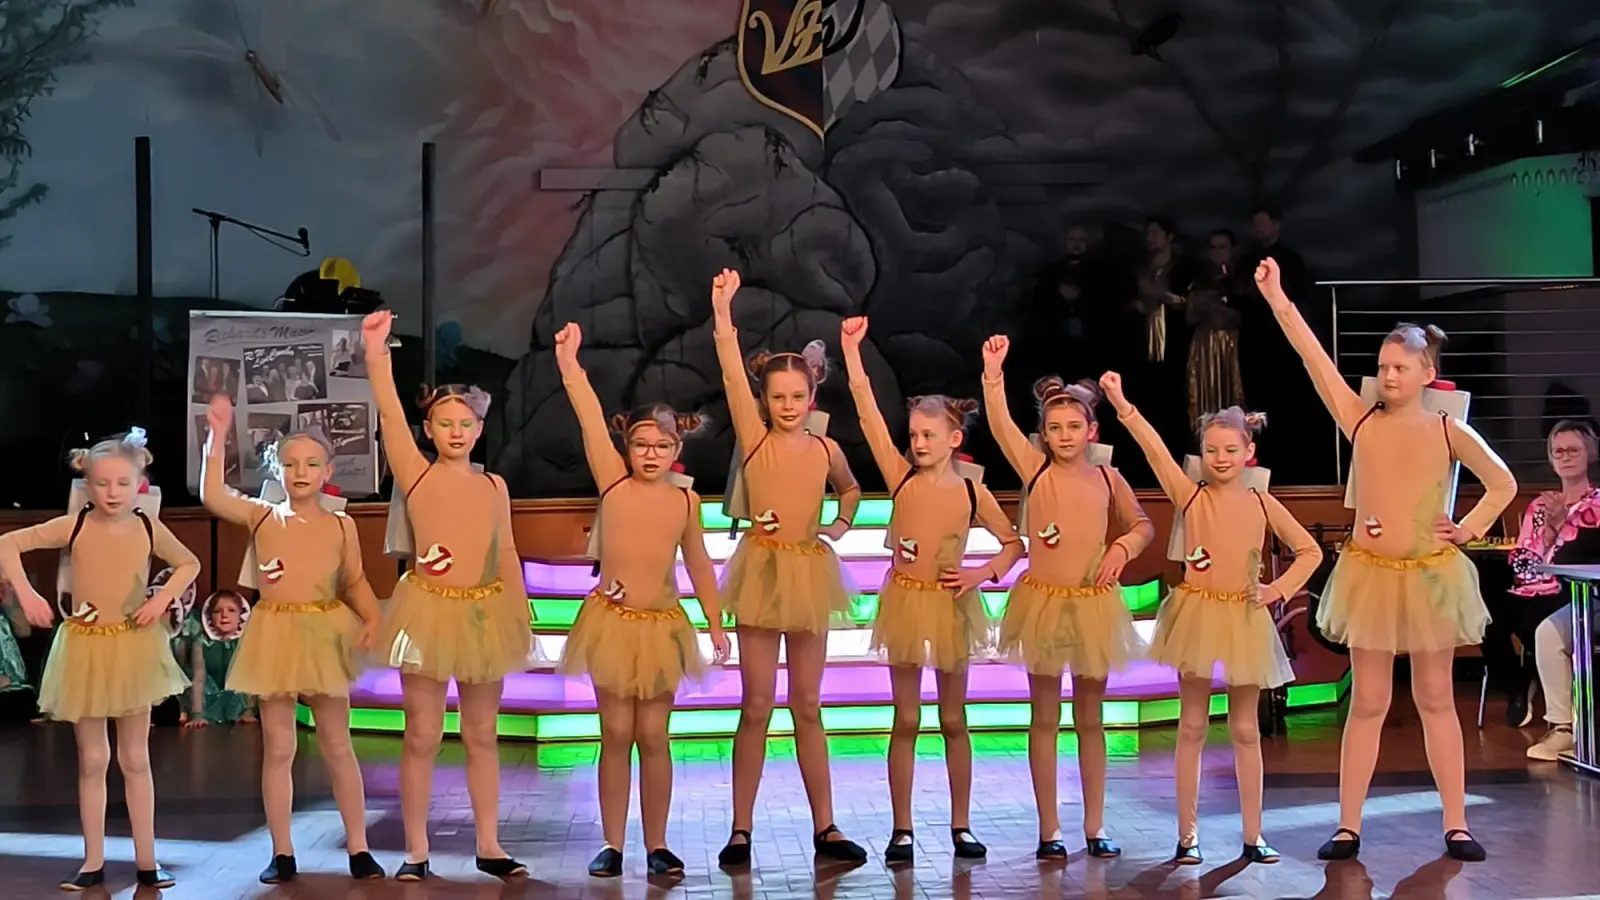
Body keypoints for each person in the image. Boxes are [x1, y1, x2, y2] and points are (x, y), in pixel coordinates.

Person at [1257, 258, 1517, 862]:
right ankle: (1348, 825)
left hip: (1428, 574)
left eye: (1401, 367)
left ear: (1428, 372)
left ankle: (1456, 824)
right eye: (1382, 367)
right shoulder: (1362, 422)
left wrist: (1466, 529)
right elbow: (1313, 359)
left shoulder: (1447, 430)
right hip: (1371, 575)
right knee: (1369, 702)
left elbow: (1501, 483)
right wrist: (1277, 300)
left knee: (1434, 698)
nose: (1389, 375)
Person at [1102, 372, 1320, 865]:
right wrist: (1120, 401)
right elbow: (1154, 449)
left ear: (1249, 453)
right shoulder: (1191, 495)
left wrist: (1275, 591)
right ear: (1201, 453)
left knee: (1245, 728)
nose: (1220, 458)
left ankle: (1253, 834)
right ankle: (1187, 835)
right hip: (1198, 613)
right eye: (1211, 449)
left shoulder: (1263, 501)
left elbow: (1308, 551)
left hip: (1244, 617)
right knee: (1193, 726)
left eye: (1230, 449)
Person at [841, 317, 1024, 863]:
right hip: (905, 601)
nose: (918, 443)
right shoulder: (900, 476)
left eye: (928, 436)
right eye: (914, 435)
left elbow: (1013, 544)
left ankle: (961, 825)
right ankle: (902, 827)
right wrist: (852, 353)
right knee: (904, 718)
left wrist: (979, 574)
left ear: (954, 439)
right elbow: (867, 411)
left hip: (951, 605)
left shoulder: (973, 489)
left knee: (952, 719)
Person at [553, 321, 733, 877]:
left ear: (677, 448)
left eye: (661, 446)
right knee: (617, 733)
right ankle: (611, 843)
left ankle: (656, 842)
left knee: (654, 734)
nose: (650, 454)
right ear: (626, 445)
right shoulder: (612, 482)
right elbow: (587, 413)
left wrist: (716, 622)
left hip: (661, 625)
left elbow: (699, 563)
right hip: (613, 622)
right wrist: (569, 363)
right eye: (640, 444)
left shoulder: (686, 500)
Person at [362, 309, 533, 881]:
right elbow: (387, 410)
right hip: (429, 609)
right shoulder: (415, 474)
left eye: (465, 422)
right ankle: (415, 851)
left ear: (479, 428)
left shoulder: (493, 485)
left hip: (484, 609)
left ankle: (490, 843)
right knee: (422, 733)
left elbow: (504, 548)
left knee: (483, 733)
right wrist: (377, 353)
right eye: (444, 422)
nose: (456, 431)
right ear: (428, 430)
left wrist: (517, 604)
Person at [709, 268, 868, 867]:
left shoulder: (827, 448)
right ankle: (740, 829)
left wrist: (837, 528)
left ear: (812, 398)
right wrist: (724, 312)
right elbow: (729, 368)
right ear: (764, 401)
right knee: (756, 705)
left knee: (807, 703)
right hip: (762, 569)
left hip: (807, 573)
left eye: (797, 397)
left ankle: (825, 827)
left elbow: (849, 491)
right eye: (777, 397)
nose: (787, 406)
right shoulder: (754, 439)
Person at [979, 335, 1154, 859]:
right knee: (1045, 717)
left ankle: (1096, 826)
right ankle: (1049, 829)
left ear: (1092, 430)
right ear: (1044, 435)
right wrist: (993, 374)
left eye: (1074, 427)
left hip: (1093, 606)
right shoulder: (1035, 469)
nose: (1064, 436)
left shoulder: (1107, 475)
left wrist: (1121, 549)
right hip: (1044, 604)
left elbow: (1142, 524)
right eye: (1054, 429)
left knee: (1091, 718)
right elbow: (1000, 425)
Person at [0, 430, 199, 891]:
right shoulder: (74, 525)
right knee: (92, 759)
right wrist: (26, 592)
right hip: (86, 647)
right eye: (103, 483)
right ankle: (92, 861)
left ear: (139, 484)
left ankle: (148, 860)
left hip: (133, 647)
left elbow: (189, 563)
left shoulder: (149, 525)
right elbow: (7, 544)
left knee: (135, 758)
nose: (112, 493)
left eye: (122, 484)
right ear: (86, 485)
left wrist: (162, 597)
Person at [199, 395, 385, 883]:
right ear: (276, 470)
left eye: (311, 464)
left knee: (338, 744)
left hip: (324, 631)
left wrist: (371, 618)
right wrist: (216, 437)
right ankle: (282, 852)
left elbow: (356, 581)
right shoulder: (263, 516)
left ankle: (359, 847)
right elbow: (214, 496)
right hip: (277, 630)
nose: (300, 472)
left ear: (328, 470)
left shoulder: (343, 525)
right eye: (289, 464)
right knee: (279, 747)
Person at [1508, 420, 1600, 760]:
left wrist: (1562, 525)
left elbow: (1584, 558)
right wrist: (1546, 536)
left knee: (1536, 617)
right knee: (1496, 611)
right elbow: (1522, 560)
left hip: (1583, 595)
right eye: (1558, 451)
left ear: (1590, 454)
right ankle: (1558, 724)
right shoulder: (1540, 506)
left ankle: (1525, 685)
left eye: (1573, 450)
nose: (1565, 457)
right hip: (1536, 590)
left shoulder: (1596, 505)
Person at [1186, 228, 1246, 429]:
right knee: (1204, 400)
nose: (1218, 252)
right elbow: (1189, 317)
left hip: (1233, 345)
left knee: (1234, 394)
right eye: (1214, 247)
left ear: (1233, 250)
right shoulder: (1199, 281)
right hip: (1204, 346)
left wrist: (1215, 306)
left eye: (1223, 247)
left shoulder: (1241, 281)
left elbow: (1243, 317)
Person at [179, 591, 254, 727]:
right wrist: (197, 714)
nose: (224, 615)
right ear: (209, 617)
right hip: (208, 699)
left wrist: (248, 711)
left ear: (241, 616)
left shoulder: (245, 642)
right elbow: (198, 678)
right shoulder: (201, 642)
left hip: (238, 699)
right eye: (217, 611)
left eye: (231, 610)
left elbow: (249, 677)